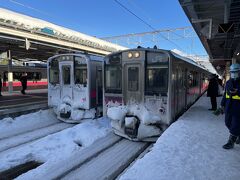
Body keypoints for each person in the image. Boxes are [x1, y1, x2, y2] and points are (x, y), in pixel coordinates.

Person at [221, 63, 240, 149]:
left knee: (235, 125)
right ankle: (238, 134)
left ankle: (230, 142)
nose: (233, 73)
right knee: (227, 123)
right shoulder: (228, 82)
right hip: (229, 107)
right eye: (232, 72)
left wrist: (238, 92)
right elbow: (225, 95)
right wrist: (222, 104)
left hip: (238, 108)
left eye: (235, 72)